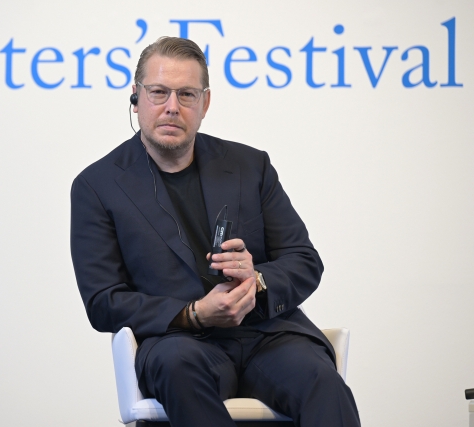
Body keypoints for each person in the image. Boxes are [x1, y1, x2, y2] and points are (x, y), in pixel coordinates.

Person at [70, 36, 360, 427]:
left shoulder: (249, 166)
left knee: (322, 380)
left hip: (267, 336)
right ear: (135, 98)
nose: (172, 106)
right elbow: (104, 301)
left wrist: (256, 280)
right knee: (177, 367)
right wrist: (193, 314)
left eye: (186, 94)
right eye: (158, 92)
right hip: (179, 343)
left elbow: (304, 261)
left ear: (205, 103)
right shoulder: (97, 185)